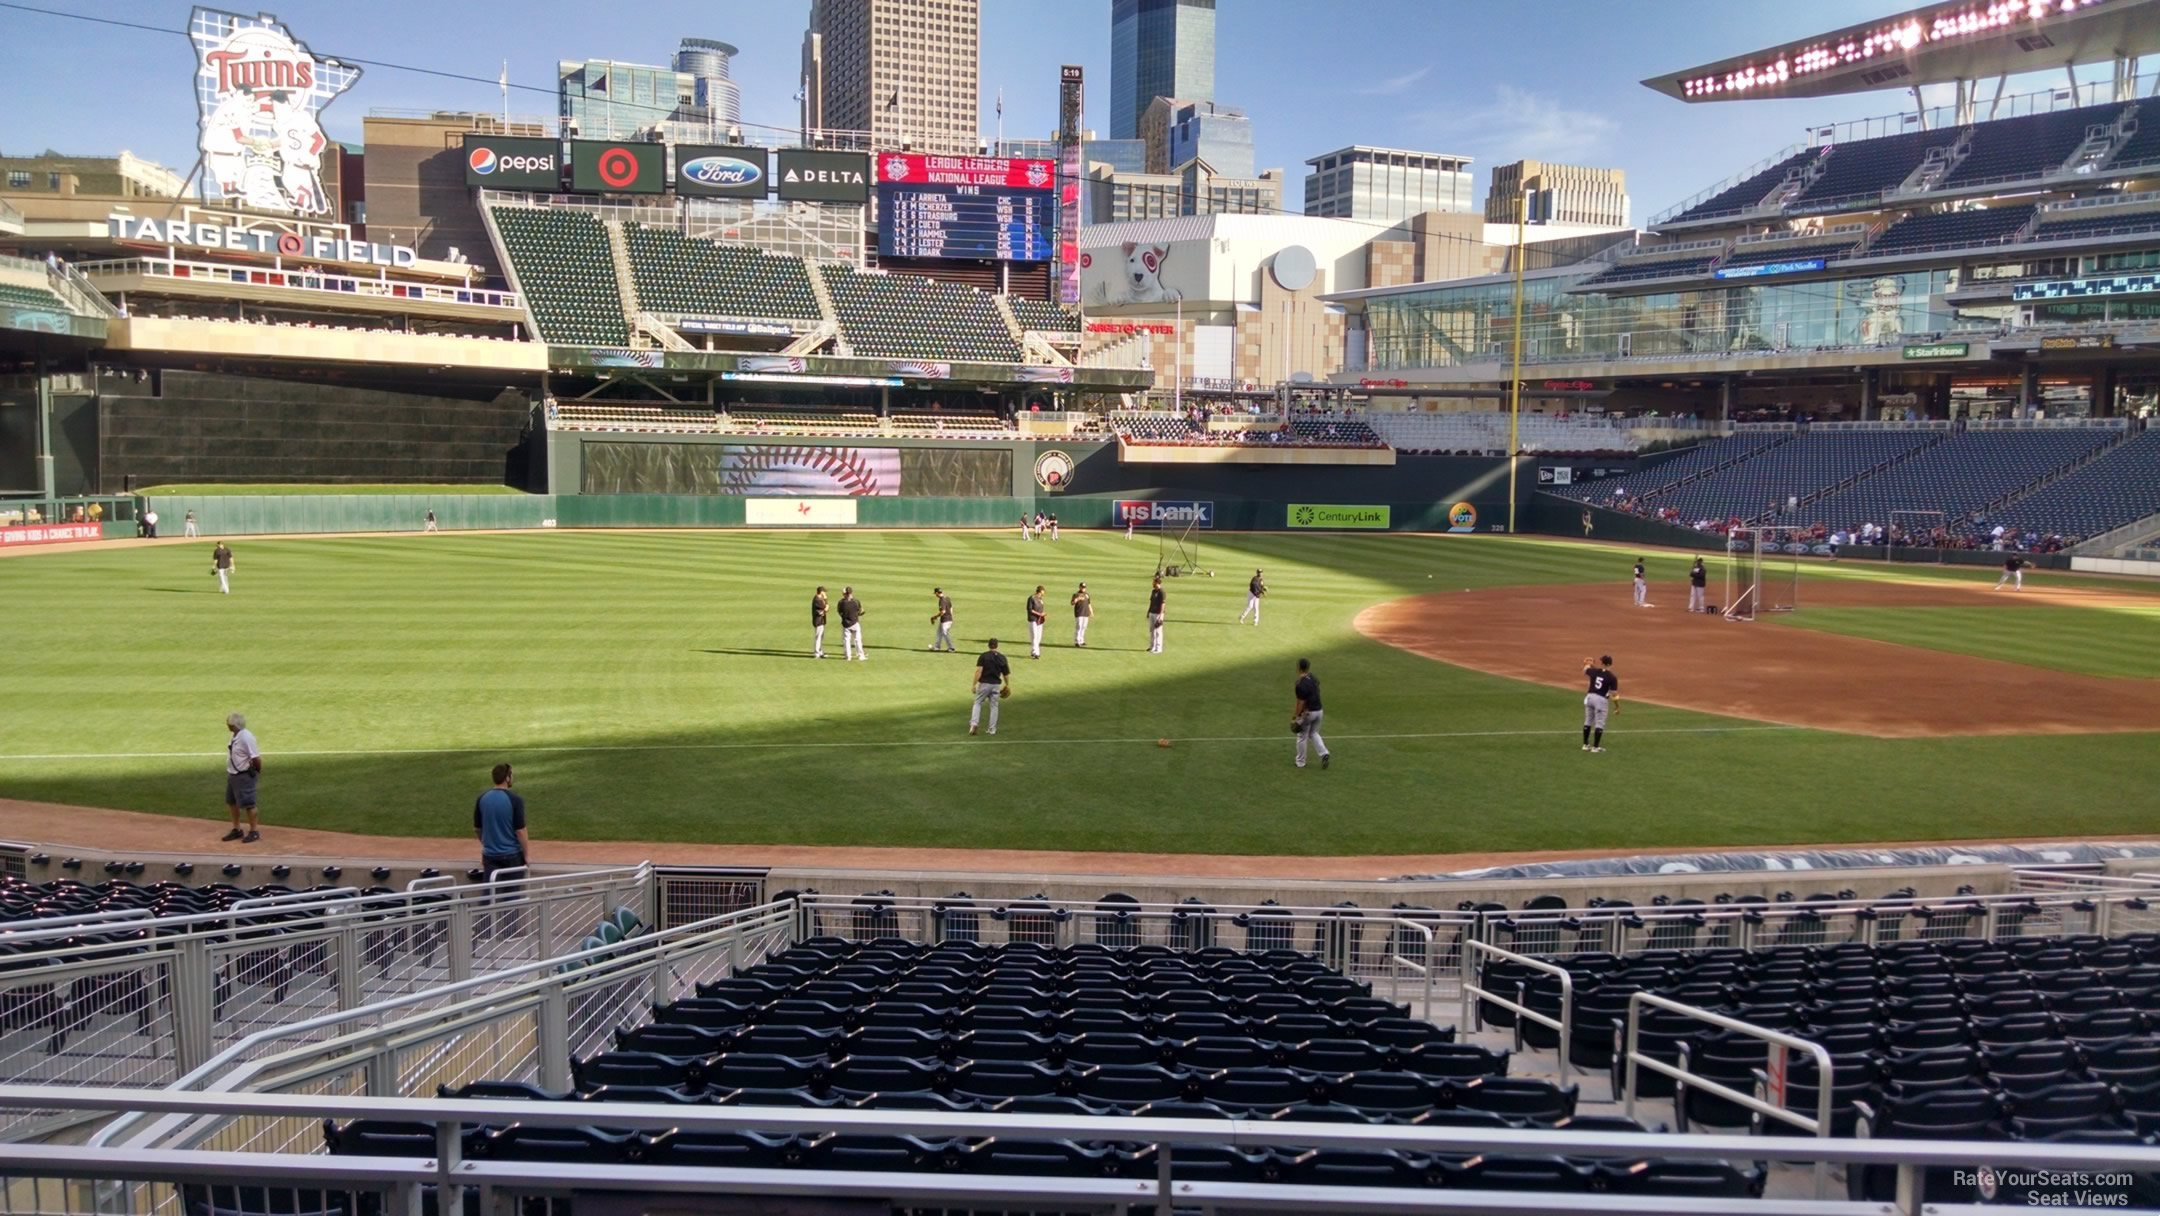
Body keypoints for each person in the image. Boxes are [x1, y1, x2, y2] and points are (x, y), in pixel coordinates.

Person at [474, 763, 529, 881]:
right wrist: (526, 855)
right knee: (512, 896)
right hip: (512, 855)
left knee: (490, 895)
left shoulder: (482, 798)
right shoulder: (515, 800)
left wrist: (487, 845)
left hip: (489, 855)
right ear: (507, 778)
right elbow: (520, 831)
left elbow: (477, 829)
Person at [222, 712, 262, 843]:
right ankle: (237, 829)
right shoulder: (234, 735)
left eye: (230, 724)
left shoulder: (246, 737)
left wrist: (256, 771)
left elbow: (256, 758)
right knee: (231, 802)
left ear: (235, 725)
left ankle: (254, 831)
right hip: (233, 774)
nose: (228, 725)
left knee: (249, 804)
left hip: (243, 775)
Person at [969, 638, 1011, 736]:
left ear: (989, 645)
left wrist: (974, 684)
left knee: (978, 703)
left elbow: (979, 671)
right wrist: (1008, 685)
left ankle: (974, 724)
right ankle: (992, 729)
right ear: (997, 646)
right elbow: (1006, 674)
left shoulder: (983, 656)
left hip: (984, 684)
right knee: (994, 707)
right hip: (996, 685)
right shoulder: (1002, 658)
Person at [1293, 657, 1329, 770]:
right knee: (1313, 733)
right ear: (1308, 668)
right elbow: (1317, 687)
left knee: (1301, 736)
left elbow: (1300, 702)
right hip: (1319, 711)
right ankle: (1324, 753)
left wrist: (1296, 716)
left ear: (1299, 668)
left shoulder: (1299, 684)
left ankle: (1300, 762)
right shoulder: (1313, 678)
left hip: (1309, 713)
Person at [1582, 655, 1618, 753]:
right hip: (1600, 700)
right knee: (1599, 723)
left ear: (1601, 663)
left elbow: (1586, 669)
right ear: (1610, 664)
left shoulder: (1594, 671)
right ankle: (1595, 747)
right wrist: (1616, 706)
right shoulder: (1612, 677)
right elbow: (1614, 693)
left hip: (1589, 697)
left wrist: (1588, 664)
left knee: (1588, 720)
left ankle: (1585, 745)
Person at [838, 586, 866, 660]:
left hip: (845, 624)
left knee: (846, 640)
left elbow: (839, 612)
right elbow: (861, 611)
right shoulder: (856, 601)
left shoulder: (841, 602)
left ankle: (848, 656)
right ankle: (861, 656)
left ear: (845, 593)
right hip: (855, 623)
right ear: (851, 593)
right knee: (858, 640)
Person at [929, 587, 956, 652]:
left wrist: (935, 617)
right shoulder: (947, 598)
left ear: (937, 593)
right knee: (939, 632)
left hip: (945, 620)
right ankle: (937, 647)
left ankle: (951, 647)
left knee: (945, 633)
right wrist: (951, 616)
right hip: (948, 619)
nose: (935, 595)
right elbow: (951, 608)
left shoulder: (942, 600)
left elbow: (943, 611)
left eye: (935, 593)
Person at [1026, 585, 1047, 658]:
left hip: (1039, 620)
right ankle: (1036, 652)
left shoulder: (1040, 599)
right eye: (1041, 593)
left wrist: (1043, 614)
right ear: (1039, 592)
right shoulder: (1031, 598)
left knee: (1038, 637)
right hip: (1033, 619)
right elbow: (1030, 609)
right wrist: (1039, 614)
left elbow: (1041, 609)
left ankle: (1033, 650)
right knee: (1034, 636)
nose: (1042, 595)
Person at [1146, 576, 1166, 654]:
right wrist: (1148, 612)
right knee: (1152, 630)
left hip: (1158, 613)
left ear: (1157, 582)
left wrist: (1161, 615)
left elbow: (1163, 604)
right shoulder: (1153, 591)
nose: (1152, 583)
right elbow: (1151, 602)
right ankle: (1152, 646)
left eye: (1154, 582)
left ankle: (1158, 648)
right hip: (1152, 612)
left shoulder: (1162, 592)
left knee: (1158, 631)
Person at [1071, 581, 1092, 647]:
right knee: (1079, 626)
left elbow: (1089, 604)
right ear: (1079, 587)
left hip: (1086, 613)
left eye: (1084, 587)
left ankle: (1081, 640)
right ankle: (1077, 641)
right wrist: (1078, 599)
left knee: (1084, 627)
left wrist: (1091, 611)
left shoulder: (1087, 595)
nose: (1083, 588)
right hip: (1079, 612)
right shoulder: (1076, 594)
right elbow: (1072, 603)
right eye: (1082, 587)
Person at [811, 585, 829, 658]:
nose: (825, 593)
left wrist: (825, 608)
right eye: (824, 592)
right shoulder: (817, 600)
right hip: (818, 621)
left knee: (821, 637)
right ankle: (816, 652)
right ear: (821, 592)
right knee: (818, 637)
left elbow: (825, 609)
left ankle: (820, 651)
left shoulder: (819, 599)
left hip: (820, 620)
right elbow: (826, 607)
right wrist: (826, 600)